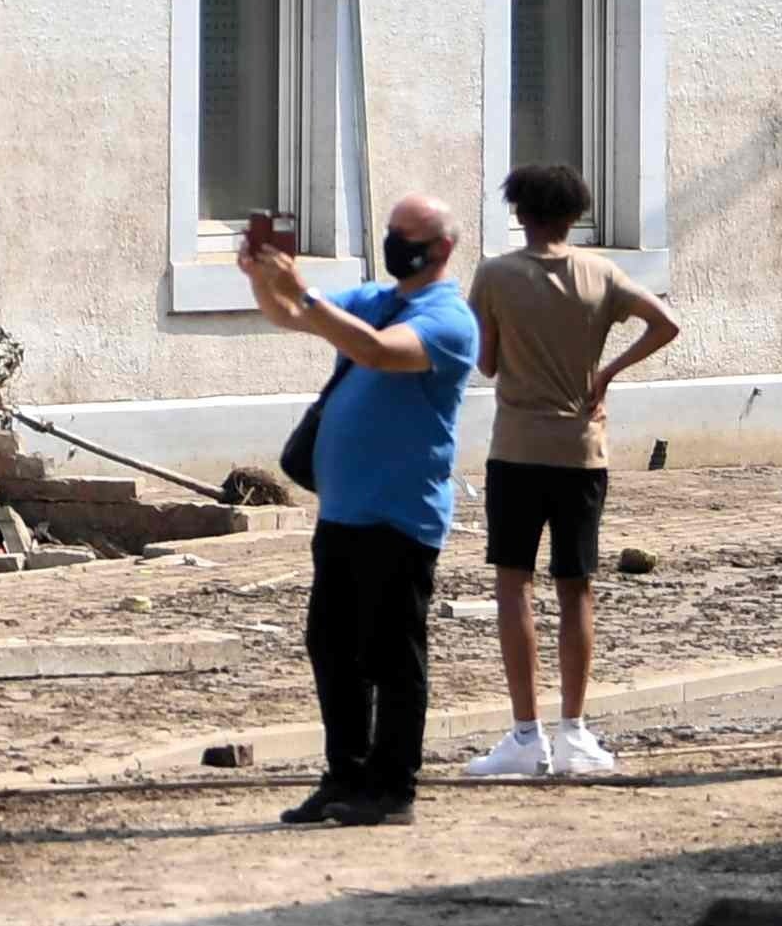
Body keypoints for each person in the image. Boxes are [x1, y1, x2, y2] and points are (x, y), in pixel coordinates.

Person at [245, 193, 479, 825]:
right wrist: (262, 279)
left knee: (393, 656)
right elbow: (295, 316)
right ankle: (344, 776)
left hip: (401, 517)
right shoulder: (380, 297)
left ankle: (393, 786)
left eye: (410, 236)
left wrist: (308, 295)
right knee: (332, 645)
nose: (397, 244)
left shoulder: (450, 320)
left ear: (442, 249)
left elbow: (378, 351)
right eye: (393, 232)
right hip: (343, 513)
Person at [460, 162, 678, 782]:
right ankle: (575, 730)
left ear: (521, 212)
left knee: (513, 585)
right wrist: (605, 371)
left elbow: (489, 363)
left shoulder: (497, 275)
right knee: (576, 584)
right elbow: (667, 323)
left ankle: (526, 733)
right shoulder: (600, 273)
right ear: (576, 213)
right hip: (582, 451)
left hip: (517, 448)